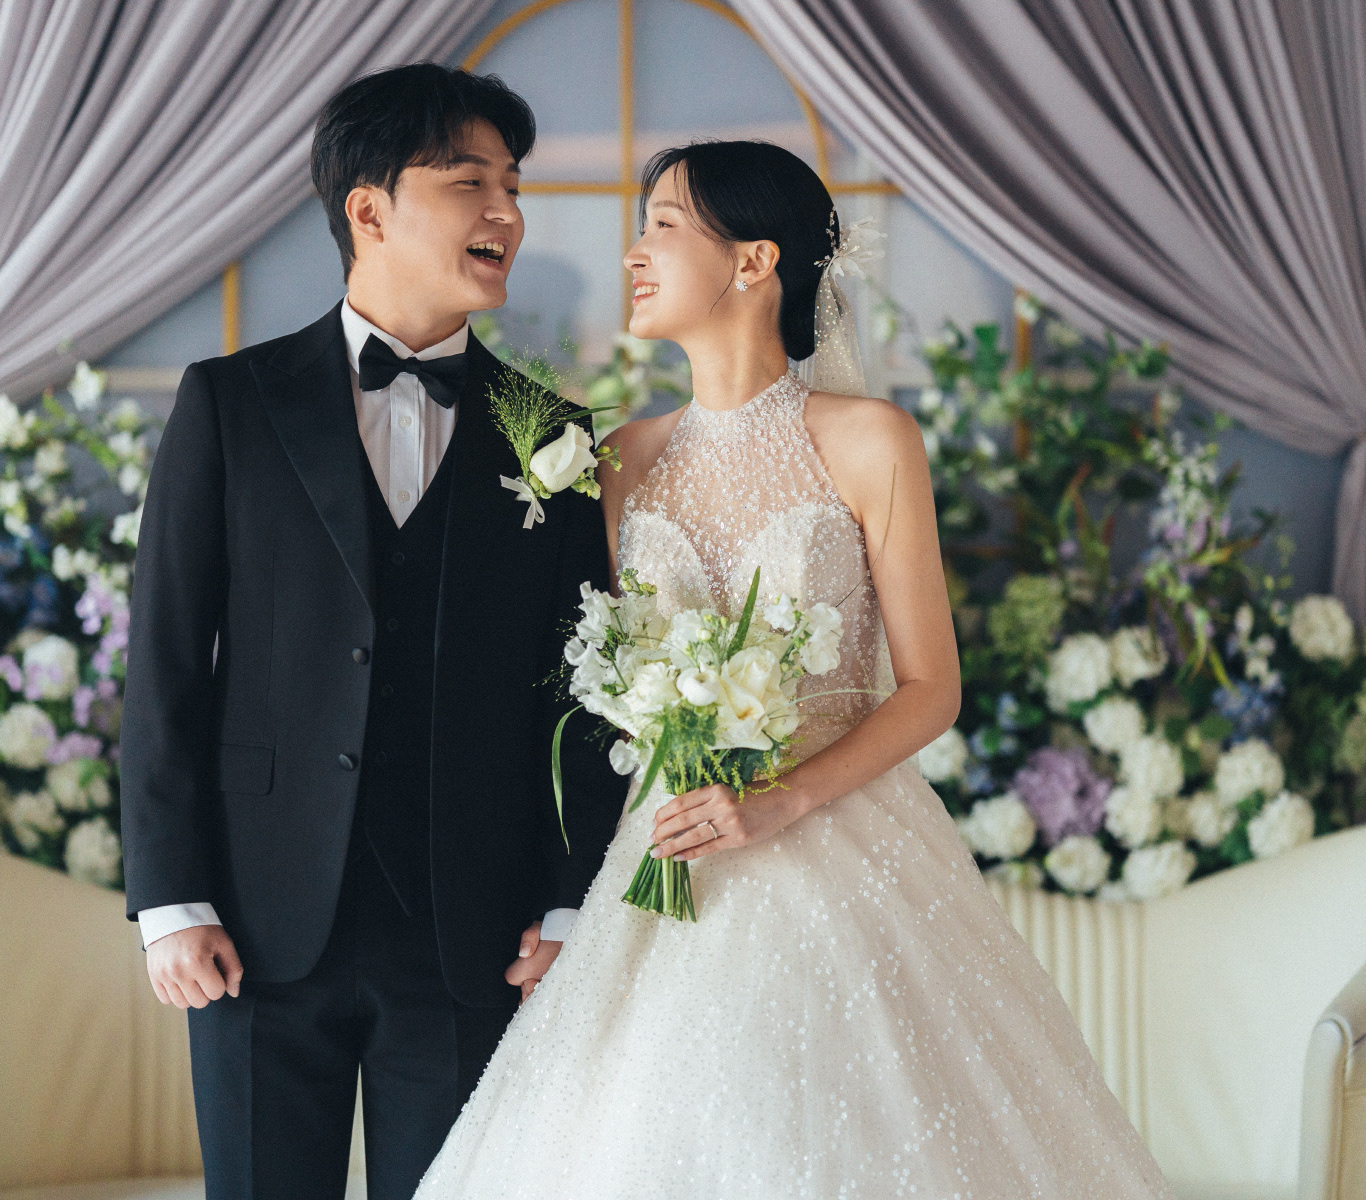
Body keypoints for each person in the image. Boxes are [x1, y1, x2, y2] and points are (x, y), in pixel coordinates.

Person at [412, 140, 1178, 1198]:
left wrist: (780, 800)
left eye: (663, 225)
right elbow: (579, 709)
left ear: (753, 260)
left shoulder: (871, 441)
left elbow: (930, 688)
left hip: (841, 846)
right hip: (664, 857)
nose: (635, 252)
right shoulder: (618, 461)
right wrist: (560, 905)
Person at [117, 63, 625, 1200]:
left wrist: (568, 904)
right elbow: (164, 670)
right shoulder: (230, 404)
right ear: (369, 209)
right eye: (470, 182)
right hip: (253, 923)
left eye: (513, 184)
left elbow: (583, 690)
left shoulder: (550, 433)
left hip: (473, 931)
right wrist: (171, 899)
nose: (506, 212)